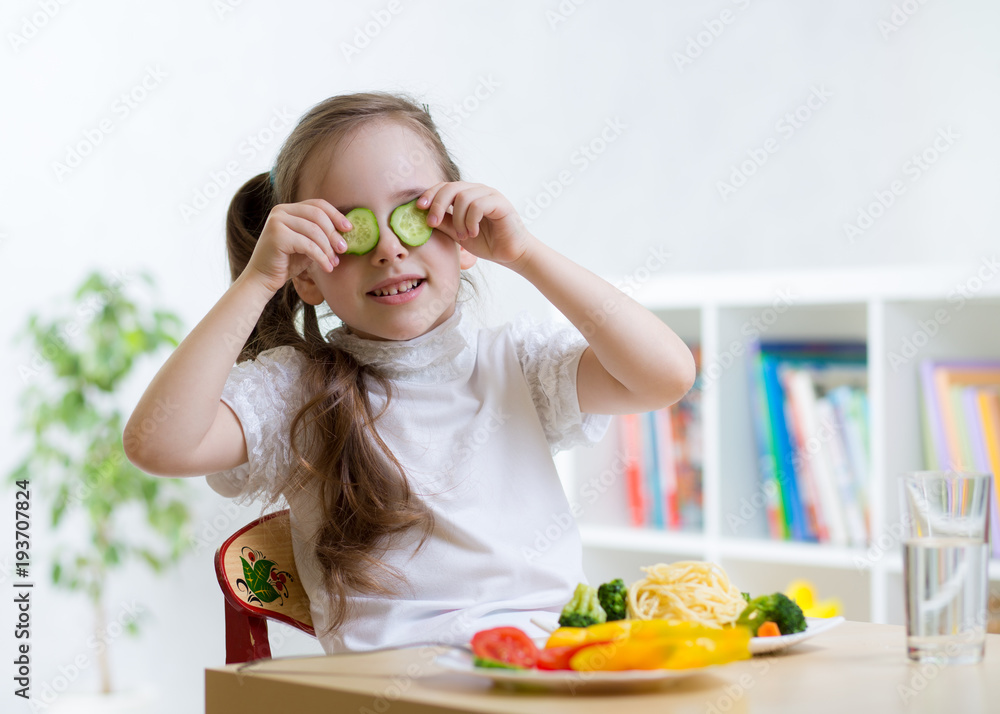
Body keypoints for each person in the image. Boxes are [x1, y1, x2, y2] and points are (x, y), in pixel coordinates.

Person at [124, 91, 695, 654]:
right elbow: (158, 443)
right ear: (309, 275)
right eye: (350, 230)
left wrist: (525, 253)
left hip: (549, 668)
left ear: (463, 236)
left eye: (414, 214)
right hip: (399, 686)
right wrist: (258, 281)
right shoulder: (295, 393)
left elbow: (666, 376)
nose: (389, 249)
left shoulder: (518, 365)